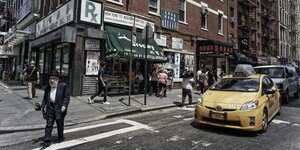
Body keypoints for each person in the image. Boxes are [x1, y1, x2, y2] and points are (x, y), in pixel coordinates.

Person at [39, 70, 70, 148]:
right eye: (50, 79)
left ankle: (60, 137)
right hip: (50, 108)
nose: (52, 80)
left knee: (59, 124)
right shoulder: (47, 88)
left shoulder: (63, 86)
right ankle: (47, 141)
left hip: (60, 108)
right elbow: (45, 98)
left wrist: (64, 106)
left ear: (58, 79)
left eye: (54, 79)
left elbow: (67, 97)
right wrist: (42, 106)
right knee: (49, 124)